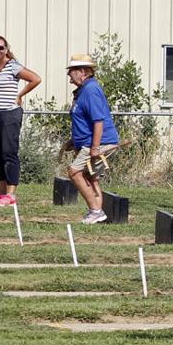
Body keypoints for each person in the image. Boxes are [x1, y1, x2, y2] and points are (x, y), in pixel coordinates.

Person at [0, 35, 42, 207]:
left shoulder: (13, 66)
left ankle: (11, 194)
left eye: (1, 47)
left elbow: (35, 79)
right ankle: (1, 193)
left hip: (9, 114)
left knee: (9, 152)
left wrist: (20, 95)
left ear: (6, 49)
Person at [64, 54, 120, 225]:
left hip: (99, 142)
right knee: (91, 176)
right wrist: (73, 141)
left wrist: (95, 147)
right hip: (89, 142)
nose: (69, 75)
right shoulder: (83, 90)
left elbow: (98, 121)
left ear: (83, 72)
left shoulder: (91, 90)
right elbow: (84, 120)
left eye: (72, 71)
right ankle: (96, 214)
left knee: (74, 172)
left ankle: (96, 211)